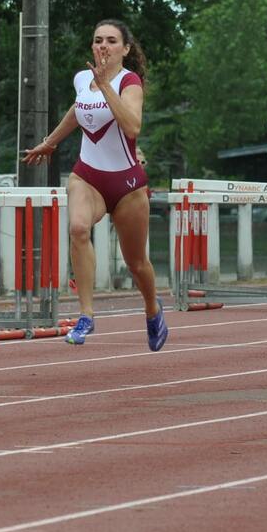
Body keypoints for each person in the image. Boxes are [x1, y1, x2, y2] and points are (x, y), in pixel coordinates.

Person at [22, 19, 169, 351]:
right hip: (88, 176)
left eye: (111, 40)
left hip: (127, 184)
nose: (103, 45)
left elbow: (132, 127)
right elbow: (78, 111)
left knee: (136, 264)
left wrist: (105, 87)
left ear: (125, 49)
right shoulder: (81, 78)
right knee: (78, 228)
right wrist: (50, 142)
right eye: (98, 39)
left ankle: (152, 309)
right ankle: (86, 314)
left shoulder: (129, 82)